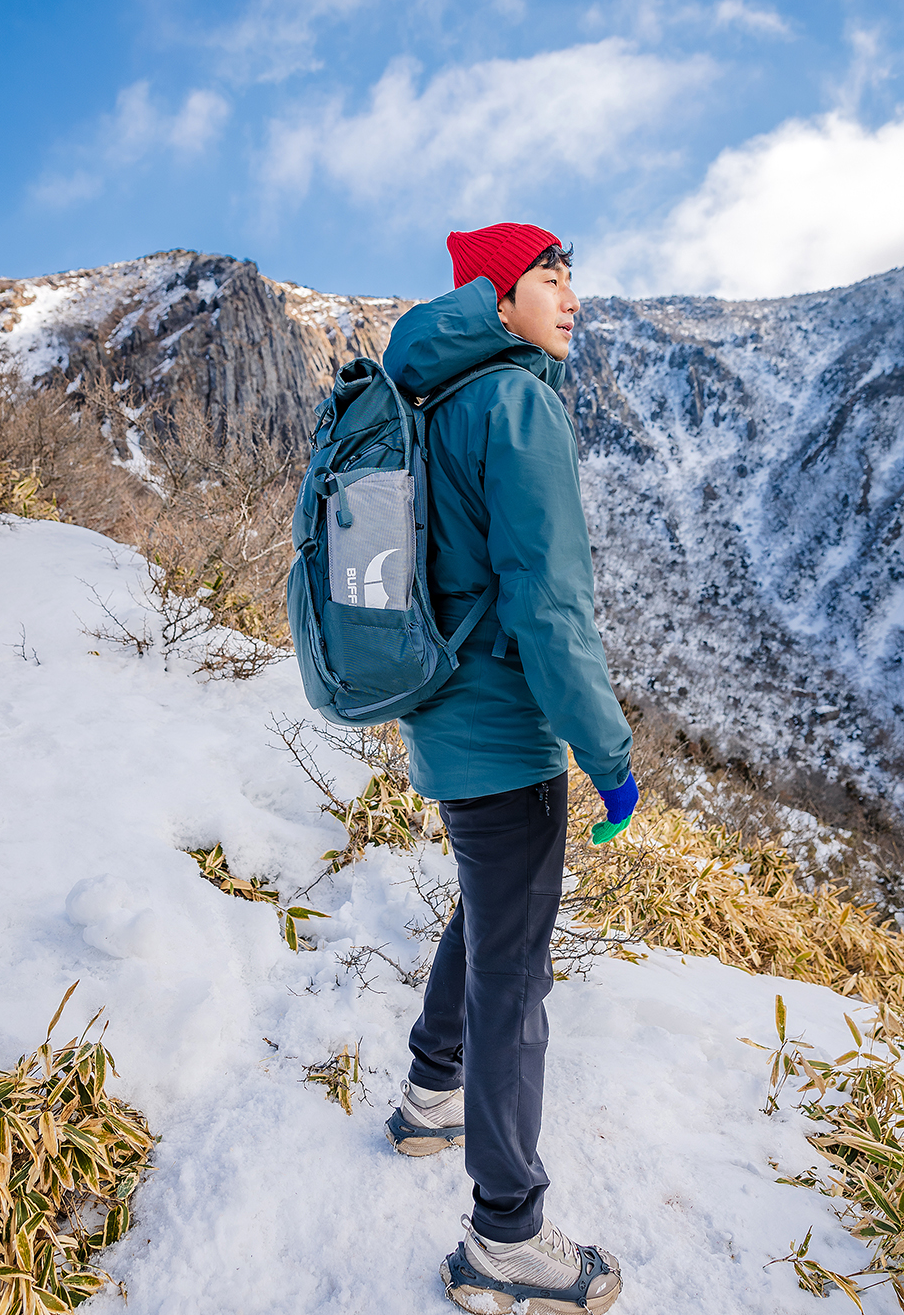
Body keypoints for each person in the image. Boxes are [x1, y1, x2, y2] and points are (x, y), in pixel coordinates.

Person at [381, 222, 638, 1315]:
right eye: (549, 277)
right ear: (498, 295)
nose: (572, 297)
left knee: (487, 917)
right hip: (502, 731)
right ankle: (506, 1235)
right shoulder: (516, 403)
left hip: (442, 719)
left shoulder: (431, 399)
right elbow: (551, 608)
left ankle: (429, 1093)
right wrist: (609, 756)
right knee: (514, 976)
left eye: (573, 276)